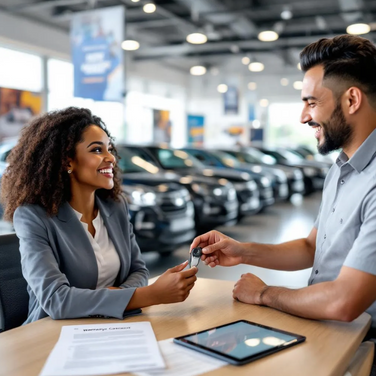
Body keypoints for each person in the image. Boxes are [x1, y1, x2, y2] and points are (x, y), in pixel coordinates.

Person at [191, 35, 376, 331]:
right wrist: (243, 252)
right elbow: (311, 247)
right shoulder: (341, 169)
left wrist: (264, 294)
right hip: (329, 333)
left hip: (363, 349)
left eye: (312, 103)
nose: (304, 117)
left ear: (351, 100)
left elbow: (344, 301)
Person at [0, 107, 197, 324]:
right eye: (96, 150)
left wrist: (119, 297)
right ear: (67, 161)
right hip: (53, 333)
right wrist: (148, 295)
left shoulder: (116, 205)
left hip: (114, 327)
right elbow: (56, 300)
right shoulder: (33, 216)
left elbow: (138, 270)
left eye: (109, 148)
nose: (110, 158)